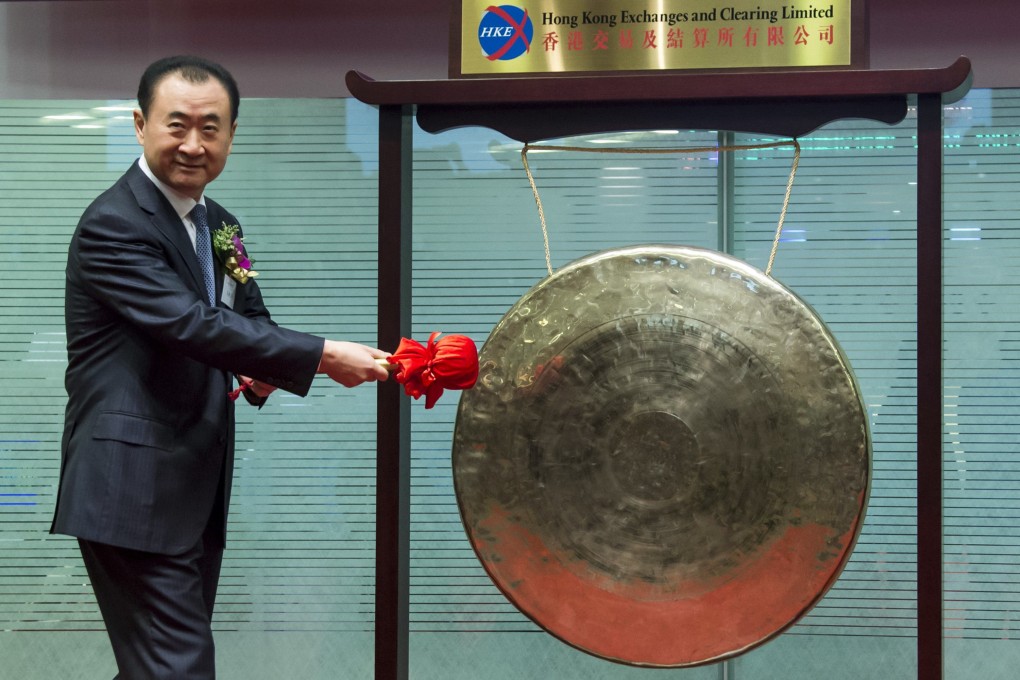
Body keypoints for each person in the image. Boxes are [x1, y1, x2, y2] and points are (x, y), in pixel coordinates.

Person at [49, 55, 390, 679]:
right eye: (176, 124)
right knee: (177, 667)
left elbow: (247, 320)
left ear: (232, 133)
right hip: (130, 484)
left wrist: (261, 370)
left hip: (187, 484)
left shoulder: (219, 224)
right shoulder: (114, 224)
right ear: (138, 124)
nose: (192, 143)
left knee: (158, 667)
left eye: (211, 127)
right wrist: (319, 355)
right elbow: (191, 324)